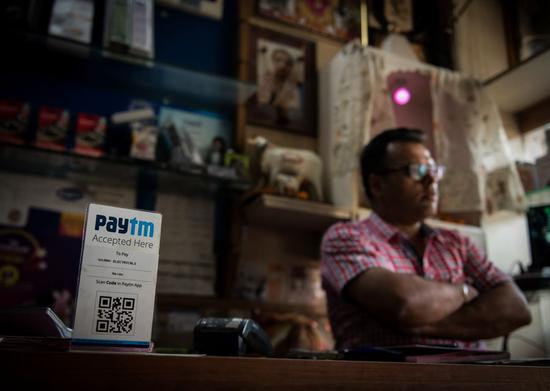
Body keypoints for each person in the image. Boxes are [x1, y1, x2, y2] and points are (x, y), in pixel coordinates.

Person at [321, 128, 531, 350]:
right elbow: (404, 304)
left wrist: (424, 325)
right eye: (416, 170)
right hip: (387, 382)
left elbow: (516, 308)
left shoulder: (457, 242)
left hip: (472, 381)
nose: (431, 179)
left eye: (433, 169)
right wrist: (467, 291)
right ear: (377, 185)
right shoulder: (346, 237)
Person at [257, 47, 301, 125]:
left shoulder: (293, 89)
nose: (283, 65)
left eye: (288, 63)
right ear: (272, 62)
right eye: (278, 60)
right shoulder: (264, 80)